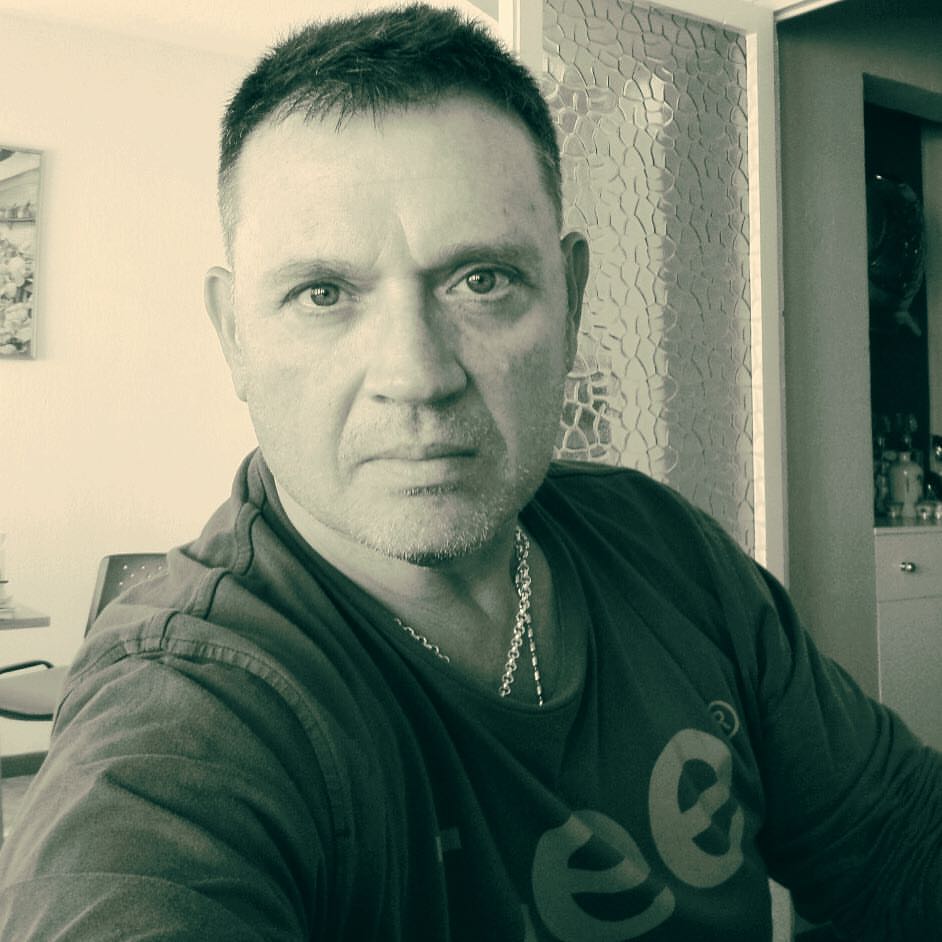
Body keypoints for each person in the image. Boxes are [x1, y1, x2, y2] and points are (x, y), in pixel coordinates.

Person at [1, 4, 941, 939]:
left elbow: (901, 844)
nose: (417, 376)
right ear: (234, 335)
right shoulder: (185, 718)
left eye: (481, 280)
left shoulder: (664, 549)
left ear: (570, 302)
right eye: (322, 294)